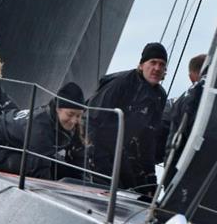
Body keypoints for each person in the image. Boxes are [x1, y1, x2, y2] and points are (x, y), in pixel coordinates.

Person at [87, 42, 168, 195]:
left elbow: (148, 140)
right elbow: (91, 120)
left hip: (119, 149)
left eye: (161, 64)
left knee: (137, 190)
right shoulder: (121, 83)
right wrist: (93, 157)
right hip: (95, 145)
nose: (157, 68)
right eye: (153, 63)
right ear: (141, 65)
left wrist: (150, 177)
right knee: (106, 186)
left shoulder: (159, 96)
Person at [0, 82, 87, 180]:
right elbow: (39, 171)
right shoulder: (40, 127)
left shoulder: (75, 124)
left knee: (66, 170)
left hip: (21, 150)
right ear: (58, 109)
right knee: (34, 166)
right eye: (70, 114)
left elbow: (78, 157)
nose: (74, 121)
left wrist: (82, 181)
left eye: (79, 115)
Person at [161, 53, 206, 187]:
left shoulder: (183, 99)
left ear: (191, 77)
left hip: (178, 171)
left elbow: (173, 144)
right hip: (196, 172)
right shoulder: (195, 95)